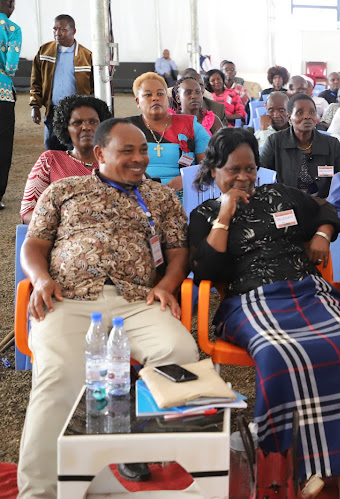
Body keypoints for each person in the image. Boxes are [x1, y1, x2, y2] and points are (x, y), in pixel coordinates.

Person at [189, 128, 340, 499]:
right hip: (251, 299)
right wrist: (226, 213)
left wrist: (322, 234)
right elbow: (208, 270)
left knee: (338, 343)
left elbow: (329, 213)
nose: (244, 177)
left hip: (307, 290)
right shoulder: (205, 214)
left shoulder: (281, 196)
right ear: (215, 171)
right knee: (278, 354)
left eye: (251, 169)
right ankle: (298, 465)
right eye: (234, 170)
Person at [17, 118, 200, 498]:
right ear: (100, 153)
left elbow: (178, 252)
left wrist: (167, 285)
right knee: (57, 377)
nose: (139, 159)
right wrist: (41, 279)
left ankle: (134, 442)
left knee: (179, 352)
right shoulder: (64, 190)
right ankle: (40, 491)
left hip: (137, 300)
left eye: (143, 151)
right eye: (127, 151)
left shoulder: (162, 196)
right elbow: (34, 245)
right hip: (69, 299)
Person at [21, 94, 112, 223]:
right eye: (77, 123)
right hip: (62, 237)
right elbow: (27, 213)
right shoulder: (50, 160)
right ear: (66, 128)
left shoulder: (117, 162)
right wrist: (66, 223)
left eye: (93, 122)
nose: (86, 127)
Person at [127, 72, 209, 190]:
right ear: (137, 102)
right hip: (138, 195)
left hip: (184, 194)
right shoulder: (128, 128)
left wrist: (187, 178)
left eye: (160, 94)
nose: (155, 98)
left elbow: (209, 165)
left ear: (167, 98)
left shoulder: (191, 126)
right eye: (148, 95)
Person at [261, 94, 340, 199]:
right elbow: (263, 178)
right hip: (287, 205)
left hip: (324, 203)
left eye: (312, 112)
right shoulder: (274, 142)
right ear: (289, 117)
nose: (307, 116)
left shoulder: (331, 144)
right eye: (300, 112)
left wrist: (329, 200)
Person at [30, 14, 94, 151]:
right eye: (55, 29)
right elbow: (36, 81)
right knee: (51, 146)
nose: (57, 33)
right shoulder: (44, 51)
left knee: (74, 148)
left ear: (73, 31)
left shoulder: (86, 56)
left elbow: (92, 87)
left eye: (62, 29)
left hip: (76, 110)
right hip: (53, 109)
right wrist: (34, 105)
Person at [0, 0, 20, 212]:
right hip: (2, 94)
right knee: (2, 145)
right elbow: (11, 66)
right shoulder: (12, 29)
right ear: (10, 5)